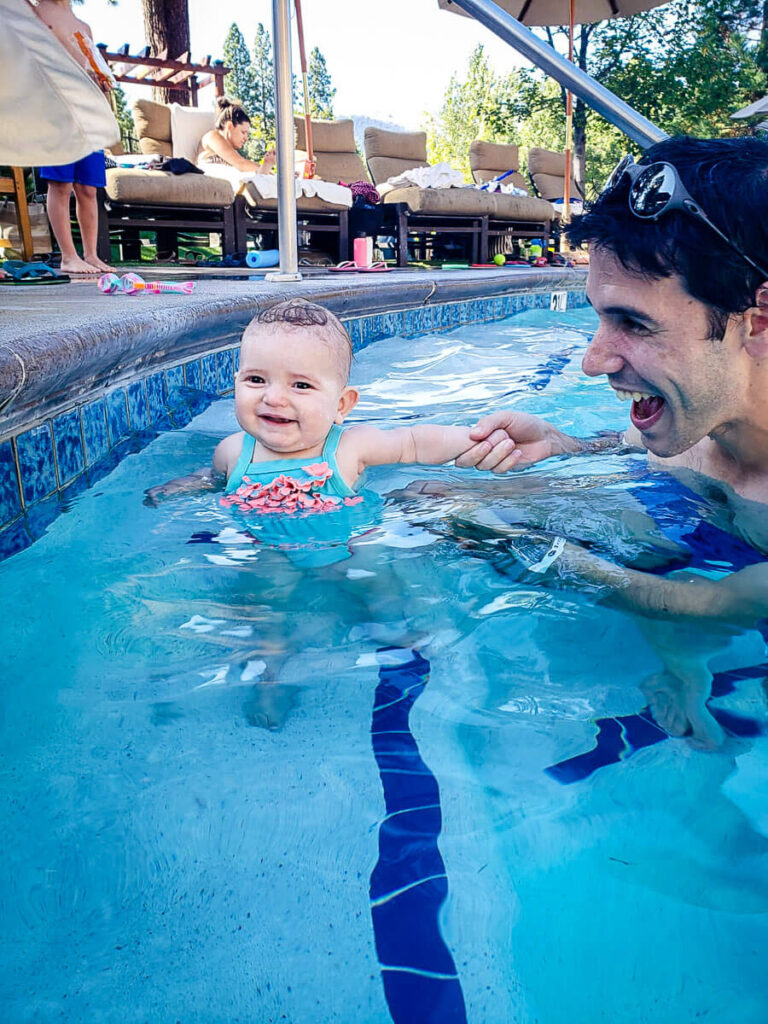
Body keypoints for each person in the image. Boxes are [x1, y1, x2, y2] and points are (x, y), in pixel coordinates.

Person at [455, 135, 768, 746]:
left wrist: (534, 554)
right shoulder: (695, 425)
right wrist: (567, 444)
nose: (592, 361)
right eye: (598, 317)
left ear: (756, 320)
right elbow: (625, 444)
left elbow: (705, 604)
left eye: (632, 322)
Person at [32, 0, 116, 275]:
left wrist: (100, 80)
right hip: (55, 108)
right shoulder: (36, 11)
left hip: (86, 112)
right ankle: (68, 255)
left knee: (88, 188)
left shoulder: (83, 26)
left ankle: (91, 254)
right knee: (61, 184)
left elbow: (89, 67)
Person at [197, 97, 276, 174]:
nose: (246, 138)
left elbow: (242, 164)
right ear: (229, 126)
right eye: (243, 132)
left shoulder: (233, 153)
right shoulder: (212, 136)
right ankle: (263, 172)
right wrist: (267, 171)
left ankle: (262, 173)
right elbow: (241, 164)